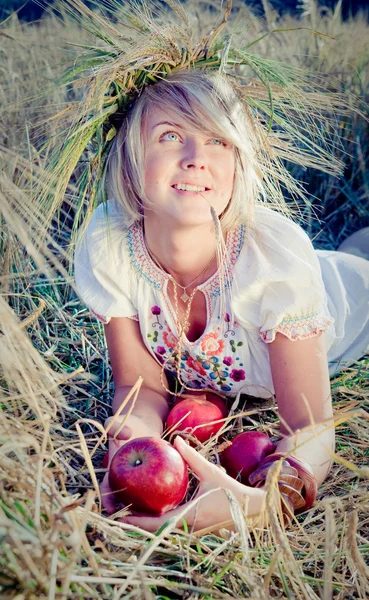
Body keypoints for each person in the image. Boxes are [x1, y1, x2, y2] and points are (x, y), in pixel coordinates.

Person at [74, 70, 369, 533]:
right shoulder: (111, 245)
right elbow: (141, 387)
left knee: (358, 268)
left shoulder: (275, 265)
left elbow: (310, 426)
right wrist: (131, 450)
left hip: (349, 299)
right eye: (171, 136)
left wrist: (266, 499)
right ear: (130, 163)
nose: (196, 159)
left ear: (239, 164)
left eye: (218, 140)